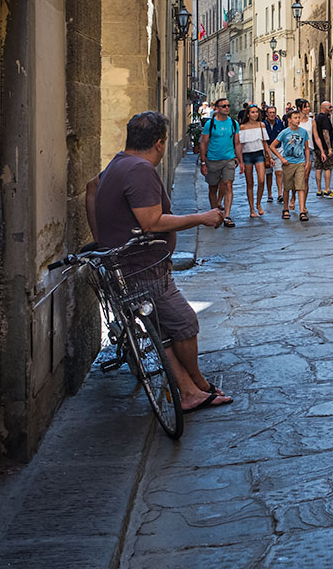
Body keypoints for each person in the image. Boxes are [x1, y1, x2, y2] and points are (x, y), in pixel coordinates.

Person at [86, 111, 232, 413]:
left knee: (165, 332)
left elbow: (91, 187)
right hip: (143, 268)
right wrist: (202, 218)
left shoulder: (118, 162)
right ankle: (197, 385)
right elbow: (151, 221)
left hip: (128, 265)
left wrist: (103, 241)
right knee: (184, 323)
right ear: (160, 144)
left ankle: (194, 389)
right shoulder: (140, 169)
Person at [199, 97, 241, 227]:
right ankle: (215, 213)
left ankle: (227, 216)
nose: (227, 108)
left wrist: (241, 160)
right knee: (213, 187)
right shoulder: (210, 124)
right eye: (224, 106)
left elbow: (237, 143)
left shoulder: (234, 124)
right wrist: (203, 162)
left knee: (228, 185)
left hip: (229, 159)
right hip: (213, 160)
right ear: (217, 109)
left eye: (228, 105)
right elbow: (203, 143)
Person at [269, 111, 314, 221]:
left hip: (300, 162)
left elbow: (306, 148)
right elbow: (272, 146)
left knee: (300, 187)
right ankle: (285, 209)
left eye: (298, 117)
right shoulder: (284, 132)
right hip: (288, 163)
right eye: (295, 118)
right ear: (289, 120)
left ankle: (302, 210)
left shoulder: (303, 132)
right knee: (287, 187)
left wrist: (307, 162)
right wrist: (282, 158)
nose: (298, 120)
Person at [237, 104, 270, 218]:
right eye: (252, 112)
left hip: (259, 154)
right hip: (247, 156)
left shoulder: (261, 125)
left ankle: (258, 203)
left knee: (261, 180)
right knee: (249, 182)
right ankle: (252, 208)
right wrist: (240, 160)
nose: (255, 114)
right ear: (248, 114)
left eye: (256, 112)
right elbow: (239, 145)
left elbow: (265, 142)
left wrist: (269, 156)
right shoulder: (242, 127)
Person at [313, 100, 333, 198]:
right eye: (330, 107)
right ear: (324, 108)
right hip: (324, 147)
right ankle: (327, 189)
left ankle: (319, 190)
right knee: (327, 167)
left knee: (318, 168)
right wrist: (329, 148)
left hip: (317, 147)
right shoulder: (325, 119)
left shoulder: (317, 117)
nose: (331, 109)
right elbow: (325, 133)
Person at [262, 105, 284, 203]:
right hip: (266, 151)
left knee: (279, 172)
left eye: (273, 113)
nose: (272, 115)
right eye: (270, 113)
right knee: (268, 173)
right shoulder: (263, 124)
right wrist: (267, 153)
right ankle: (269, 194)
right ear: (267, 114)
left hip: (278, 150)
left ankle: (280, 193)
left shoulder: (280, 124)